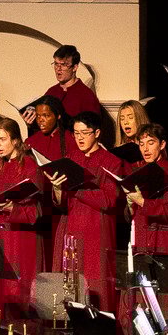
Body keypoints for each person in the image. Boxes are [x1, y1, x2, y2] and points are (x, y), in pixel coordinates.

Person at [50, 111, 119, 311]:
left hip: (97, 230)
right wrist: (57, 189)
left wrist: (77, 189)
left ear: (97, 133)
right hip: (72, 227)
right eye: (76, 133)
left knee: (96, 282)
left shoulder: (112, 161)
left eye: (85, 133)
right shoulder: (70, 158)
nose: (79, 138)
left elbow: (109, 200)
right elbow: (62, 205)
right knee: (71, 283)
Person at [0, 118, 44, 321]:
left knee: (18, 291)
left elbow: (36, 212)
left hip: (20, 238)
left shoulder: (30, 167)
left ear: (15, 140)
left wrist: (13, 208)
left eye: (3, 139)